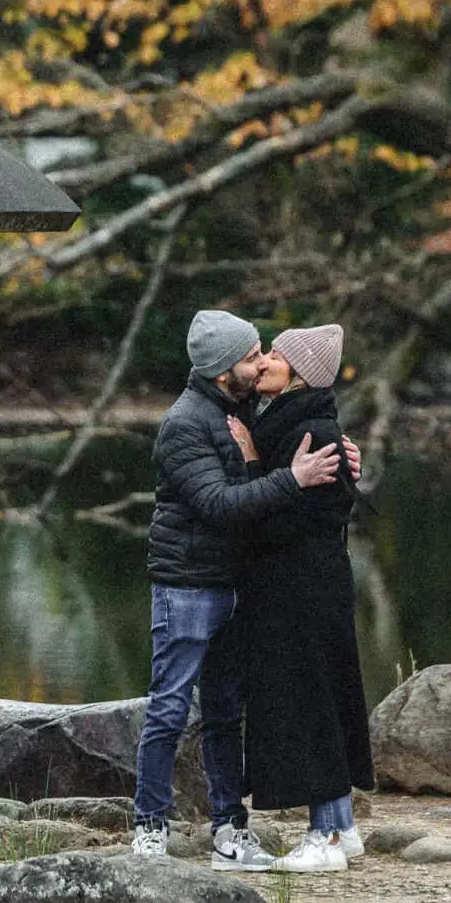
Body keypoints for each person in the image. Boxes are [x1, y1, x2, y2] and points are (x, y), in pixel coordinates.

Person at [132, 309, 344, 868]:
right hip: (187, 587)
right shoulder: (184, 425)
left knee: (226, 713)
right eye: (252, 356)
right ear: (226, 368)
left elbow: (299, 422)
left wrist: (345, 461)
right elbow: (220, 505)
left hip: (234, 586)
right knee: (170, 708)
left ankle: (230, 830)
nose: (262, 363)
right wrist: (292, 480)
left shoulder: (239, 405)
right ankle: (149, 826)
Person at [228, 324, 373, 873]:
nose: (262, 362)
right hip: (310, 584)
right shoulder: (296, 423)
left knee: (309, 703)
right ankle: (341, 825)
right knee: (322, 697)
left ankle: (325, 839)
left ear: (301, 373)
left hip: (299, 588)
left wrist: (248, 466)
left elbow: (281, 521)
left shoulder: (305, 431)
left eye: (275, 356)